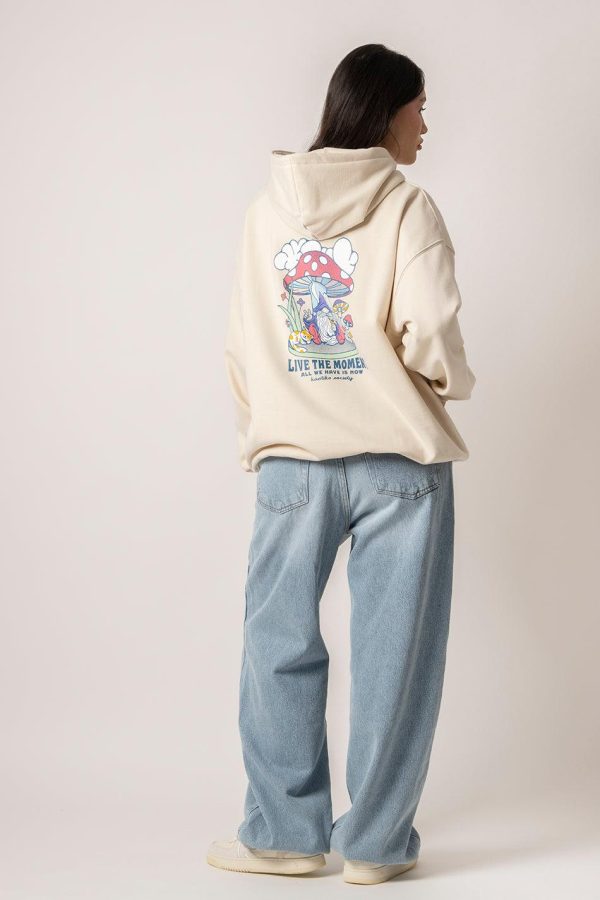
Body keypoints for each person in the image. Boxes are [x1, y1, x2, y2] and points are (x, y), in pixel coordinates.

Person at [207, 43, 476, 885]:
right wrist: (444, 383)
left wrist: (270, 424)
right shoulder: (407, 208)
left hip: (294, 459)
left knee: (276, 641)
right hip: (399, 455)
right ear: (386, 111)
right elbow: (432, 331)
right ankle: (374, 846)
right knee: (397, 656)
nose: (425, 127)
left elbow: (246, 342)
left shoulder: (266, 212)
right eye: (419, 109)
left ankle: (286, 834)